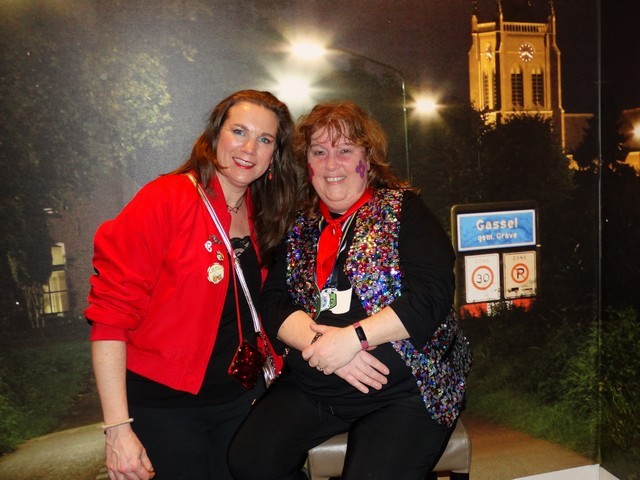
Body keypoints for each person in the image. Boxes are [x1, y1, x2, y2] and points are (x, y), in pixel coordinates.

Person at [228, 101, 472, 480]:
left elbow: (432, 296)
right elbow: (273, 302)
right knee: (249, 460)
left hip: (406, 391)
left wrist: (353, 340)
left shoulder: (403, 210)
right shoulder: (299, 224)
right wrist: (324, 346)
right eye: (319, 152)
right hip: (316, 385)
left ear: (367, 159)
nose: (331, 164)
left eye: (344, 150)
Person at [86, 89, 304, 480]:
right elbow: (110, 317)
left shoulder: (266, 214)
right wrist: (117, 428)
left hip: (242, 401)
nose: (249, 148)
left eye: (265, 139)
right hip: (165, 409)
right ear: (215, 135)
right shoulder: (166, 198)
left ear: (275, 154)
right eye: (239, 131)